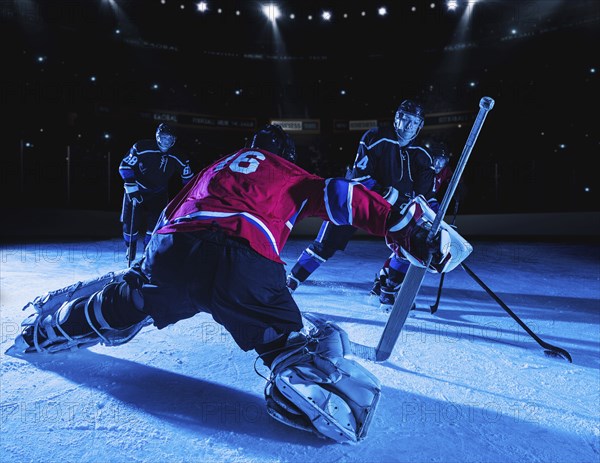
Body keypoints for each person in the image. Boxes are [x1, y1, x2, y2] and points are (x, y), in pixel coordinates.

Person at [15, 124, 459, 443]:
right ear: (284, 154)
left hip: (176, 255)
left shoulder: (212, 168)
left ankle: (52, 329)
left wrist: (145, 277)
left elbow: (169, 217)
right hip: (244, 264)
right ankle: (307, 388)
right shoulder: (287, 172)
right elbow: (345, 197)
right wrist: (405, 227)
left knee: (126, 303)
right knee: (287, 344)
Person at [286, 100, 435, 307]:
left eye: (414, 121)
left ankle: (388, 291)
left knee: (408, 245)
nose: (408, 126)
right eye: (405, 119)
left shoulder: (422, 155)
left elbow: (424, 196)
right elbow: (360, 178)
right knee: (324, 245)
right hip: (357, 201)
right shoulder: (377, 137)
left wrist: (431, 215)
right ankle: (291, 281)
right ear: (396, 120)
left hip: (392, 209)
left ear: (420, 126)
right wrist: (391, 195)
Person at [119, 122, 194, 262]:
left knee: (155, 223)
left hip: (158, 192)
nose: (166, 141)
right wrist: (131, 187)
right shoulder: (141, 147)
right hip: (137, 189)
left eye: (170, 138)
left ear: (174, 140)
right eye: (164, 137)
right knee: (130, 222)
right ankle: (131, 246)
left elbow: (188, 179)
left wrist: (188, 198)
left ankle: (148, 250)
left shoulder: (179, 156)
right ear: (157, 137)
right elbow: (124, 166)